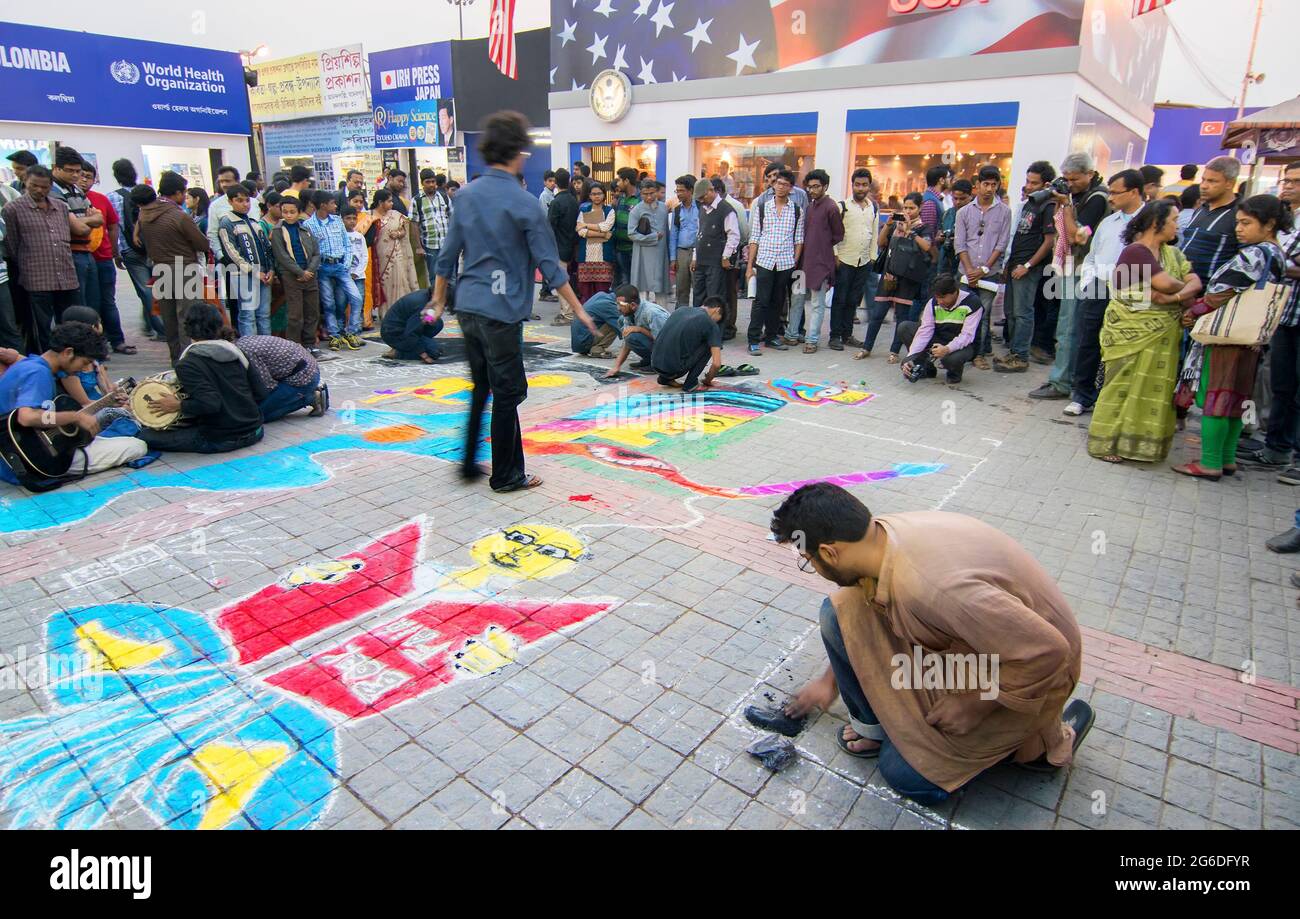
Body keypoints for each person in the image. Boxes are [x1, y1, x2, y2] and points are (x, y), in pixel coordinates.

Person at [770, 483, 1090, 805]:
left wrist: (974, 704)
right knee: (841, 611)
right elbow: (861, 617)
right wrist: (830, 682)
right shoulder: (878, 537)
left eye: (809, 559)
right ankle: (876, 728)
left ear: (829, 552)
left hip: (1038, 670)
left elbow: (1050, 652)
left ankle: (1035, 745)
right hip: (981, 642)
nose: (812, 566)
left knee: (904, 774)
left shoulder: (934, 588)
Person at [427, 111, 596, 493]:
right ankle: (506, 475)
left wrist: (438, 300)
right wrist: (580, 310)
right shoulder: (524, 204)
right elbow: (551, 268)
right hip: (501, 312)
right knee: (507, 393)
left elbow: (446, 255)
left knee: (483, 386)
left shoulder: (465, 195)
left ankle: (470, 463)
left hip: (468, 308)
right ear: (519, 152)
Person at [1174, 195, 1291, 480]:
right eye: (1238, 222)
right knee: (1236, 400)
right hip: (1251, 338)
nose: (1239, 229)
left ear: (1269, 224)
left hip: (1227, 337)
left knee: (1216, 397)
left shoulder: (1254, 254)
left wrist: (1195, 311)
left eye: (1246, 223)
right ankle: (1227, 459)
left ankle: (1210, 462)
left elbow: (1223, 292)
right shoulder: (1277, 253)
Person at [1087, 200, 1201, 465]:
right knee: (1120, 386)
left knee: (1154, 387)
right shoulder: (1136, 252)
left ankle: (1140, 446)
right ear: (1155, 222)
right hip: (1129, 330)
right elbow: (1168, 282)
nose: (1177, 225)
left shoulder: (1172, 254)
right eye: (1173, 219)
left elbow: (1192, 281)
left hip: (1163, 335)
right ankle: (1104, 443)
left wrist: (1174, 296)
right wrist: (1182, 292)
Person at [0, 321, 147, 488]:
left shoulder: (30, 365)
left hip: (18, 455)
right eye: (84, 363)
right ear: (68, 352)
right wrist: (74, 417)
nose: (82, 369)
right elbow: (27, 417)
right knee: (136, 446)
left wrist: (106, 402)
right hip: (31, 461)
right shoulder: (38, 373)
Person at [1059, 169, 1146, 417]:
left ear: (1134, 192)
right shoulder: (1108, 223)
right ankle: (1082, 395)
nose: (1110, 198)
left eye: (1116, 193)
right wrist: (1088, 282)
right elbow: (1091, 255)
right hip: (1098, 287)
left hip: (1132, 293)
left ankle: (1114, 398)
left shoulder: (1150, 222)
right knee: (1088, 342)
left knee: (1122, 347)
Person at [1028, 152, 1112, 399]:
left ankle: (1062, 382)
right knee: (1068, 326)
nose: (1070, 183)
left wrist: (1065, 205)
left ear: (1090, 174)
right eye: (1066, 178)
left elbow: (1078, 236)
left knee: (1069, 327)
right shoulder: (1081, 196)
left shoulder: (1097, 198)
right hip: (1072, 267)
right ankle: (1066, 378)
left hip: (1082, 270)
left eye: (1074, 179)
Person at [134, 303, 264, 454]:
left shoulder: (188, 364)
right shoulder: (237, 352)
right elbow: (261, 393)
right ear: (219, 326)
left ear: (188, 329)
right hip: (255, 430)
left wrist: (178, 405)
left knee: (144, 435)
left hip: (221, 439)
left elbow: (211, 404)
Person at [2, 165, 97, 353]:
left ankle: (71, 361)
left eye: (44, 187)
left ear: (50, 185)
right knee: (41, 329)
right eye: (34, 186)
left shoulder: (60, 207)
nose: (39, 190)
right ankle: (45, 364)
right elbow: (12, 246)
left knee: (70, 325)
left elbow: (70, 234)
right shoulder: (13, 209)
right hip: (36, 280)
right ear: (25, 183)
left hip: (66, 276)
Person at [1248, 162, 1300, 478]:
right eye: (1287, 180)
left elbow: (1273, 258)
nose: (1289, 185)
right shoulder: (1285, 222)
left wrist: (1278, 261)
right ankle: (1276, 448)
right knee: (1282, 385)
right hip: (1284, 315)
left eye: (1296, 181)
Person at [993, 161, 1057, 373]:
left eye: (1034, 182)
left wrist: (1028, 266)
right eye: (1027, 181)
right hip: (1014, 263)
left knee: (1022, 312)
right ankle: (1014, 352)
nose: (1028, 186)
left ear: (1046, 184)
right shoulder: (1029, 202)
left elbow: (1049, 241)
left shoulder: (1048, 205)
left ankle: (1020, 356)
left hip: (1028, 267)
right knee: (1010, 311)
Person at [860, 192, 932, 364]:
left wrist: (910, 232)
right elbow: (880, 242)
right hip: (889, 275)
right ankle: (866, 347)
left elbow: (927, 246)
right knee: (877, 314)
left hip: (908, 278)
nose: (908, 211)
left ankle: (894, 352)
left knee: (901, 316)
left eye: (912, 208)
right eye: (905, 207)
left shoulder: (923, 228)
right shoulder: (895, 225)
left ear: (920, 208)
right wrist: (889, 224)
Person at [953, 165, 1012, 369]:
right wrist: (970, 270)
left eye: (993, 185)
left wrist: (984, 269)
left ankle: (978, 355)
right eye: (985, 184)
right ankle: (957, 352)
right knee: (960, 313)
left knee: (983, 315)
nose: (989, 189)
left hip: (989, 274)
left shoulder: (1004, 212)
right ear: (977, 185)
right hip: (965, 272)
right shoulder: (964, 212)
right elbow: (959, 244)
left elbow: (1001, 244)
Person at [784, 169, 843, 354]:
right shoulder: (809, 206)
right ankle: (792, 334)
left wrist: (822, 247)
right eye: (809, 187)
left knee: (817, 304)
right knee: (797, 300)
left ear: (825, 186)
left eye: (816, 186)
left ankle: (812, 340)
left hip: (821, 265)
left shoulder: (831, 207)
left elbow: (838, 235)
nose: (812, 190)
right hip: (802, 264)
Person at [76, 162, 131, 355]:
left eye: (88, 176)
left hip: (103, 258)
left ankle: (117, 340)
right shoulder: (67, 200)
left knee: (108, 301)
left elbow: (113, 225)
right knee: (89, 303)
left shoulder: (101, 199)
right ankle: (96, 346)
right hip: (81, 259)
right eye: (80, 175)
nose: (84, 180)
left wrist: (115, 252)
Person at [746, 171, 802, 356]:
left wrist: (793, 261)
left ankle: (771, 337)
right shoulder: (763, 208)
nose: (780, 187)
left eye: (785, 184)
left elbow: (799, 239)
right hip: (765, 261)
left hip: (785, 263)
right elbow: (754, 238)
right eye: (778, 183)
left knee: (778, 302)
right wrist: (749, 267)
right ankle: (753, 339)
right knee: (761, 301)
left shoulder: (796, 210)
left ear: (791, 188)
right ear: (773, 185)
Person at [107, 158, 163, 341]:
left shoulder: (113, 197)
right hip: (153, 248)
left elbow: (116, 227)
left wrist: (117, 252)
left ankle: (158, 327)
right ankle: (154, 324)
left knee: (145, 289)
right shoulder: (147, 192)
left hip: (130, 251)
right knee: (156, 287)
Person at [898, 273, 984, 385]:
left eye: (942, 297)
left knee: (950, 359)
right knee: (904, 328)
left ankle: (954, 373)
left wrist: (947, 349)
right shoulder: (933, 302)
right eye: (937, 297)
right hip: (939, 337)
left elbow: (967, 336)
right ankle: (924, 367)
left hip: (965, 344)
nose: (939, 302)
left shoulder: (973, 303)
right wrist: (910, 357)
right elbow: (925, 331)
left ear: (955, 292)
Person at [305, 190, 364, 351]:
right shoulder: (309, 225)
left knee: (356, 298)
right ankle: (334, 334)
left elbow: (347, 244)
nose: (335, 206)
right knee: (329, 302)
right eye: (332, 203)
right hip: (323, 267)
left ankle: (351, 331)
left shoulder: (337, 221)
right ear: (323, 205)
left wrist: (346, 263)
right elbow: (309, 250)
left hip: (340, 266)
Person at [217, 184, 274, 337]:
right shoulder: (227, 223)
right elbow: (231, 253)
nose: (245, 204)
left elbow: (267, 249)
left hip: (264, 274)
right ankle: (250, 349)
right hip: (243, 276)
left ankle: (266, 347)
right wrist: (253, 271)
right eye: (239, 200)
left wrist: (271, 270)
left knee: (264, 314)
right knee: (248, 315)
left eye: (247, 200)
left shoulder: (255, 223)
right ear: (230, 201)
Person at [268, 194, 322, 354]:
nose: (288, 215)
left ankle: (309, 343)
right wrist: (299, 272)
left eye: (292, 212)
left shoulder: (306, 229)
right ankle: (294, 346)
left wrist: (309, 271)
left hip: (310, 275)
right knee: (295, 315)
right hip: (291, 276)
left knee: (312, 311)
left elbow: (316, 253)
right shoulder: (277, 231)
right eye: (285, 212)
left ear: (299, 212)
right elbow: (281, 256)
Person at [1181, 155, 1241, 283]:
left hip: (1208, 293)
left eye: (1212, 181)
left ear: (1230, 183)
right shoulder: (1200, 209)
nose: (1203, 186)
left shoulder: (1240, 215)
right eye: (1203, 180)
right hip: (1183, 287)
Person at [237, 333, 324, 421]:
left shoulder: (247, 353)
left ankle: (311, 397)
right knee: (256, 409)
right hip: (300, 365)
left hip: (304, 376)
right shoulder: (240, 343)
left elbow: (267, 386)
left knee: (258, 416)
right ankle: (304, 393)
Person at [651, 295, 723, 392]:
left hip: (655, 363)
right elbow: (716, 364)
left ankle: (665, 378)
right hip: (674, 369)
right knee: (709, 344)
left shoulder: (681, 310)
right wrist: (707, 380)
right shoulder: (710, 324)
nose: (715, 322)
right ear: (717, 310)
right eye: (717, 319)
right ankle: (690, 383)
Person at [693, 178, 741, 323]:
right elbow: (699, 233)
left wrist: (726, 256)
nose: (701, 201)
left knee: (715, 298)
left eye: (703, 197)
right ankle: (697, 327)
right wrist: (695, 256)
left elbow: (734, 235)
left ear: (711, 191)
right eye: (699, 198)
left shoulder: (726, 209)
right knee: (698, 295)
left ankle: (717, 330)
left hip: (716, 261)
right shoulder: (702, 209)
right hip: (701, 260)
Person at [370, 188, 419, 318]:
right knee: (383, 285)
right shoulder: (370, 217)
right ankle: (386, 314)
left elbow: (403, 231)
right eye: (389, 201)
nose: (392, 204)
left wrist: (397, 234)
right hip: (379, 257)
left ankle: (401, 314)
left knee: (400, 281)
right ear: (380, 202)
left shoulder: (396, 215)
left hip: (396, 255)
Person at [605, 283, 670, 377]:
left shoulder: (653, 313)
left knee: (633, 336)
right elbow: (626, 341)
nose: (618, 308)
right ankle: (649, 360)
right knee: (626, 330)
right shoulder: (629, 312)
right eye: (617, 304)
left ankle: (659, 365)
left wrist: (639, 329)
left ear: (633, 305)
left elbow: (663, 341)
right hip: (658, 345)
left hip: (670, 350)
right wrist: (616, 366)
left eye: (620, 305)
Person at [627, 178, 670, 301]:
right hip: (643, 254)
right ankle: (643, 318)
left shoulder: (664, 208)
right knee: (642, 289)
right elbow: (631, 234)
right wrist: (653, 237)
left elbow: (667, 231)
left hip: (661, 253)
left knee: (661, 289)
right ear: (640, 193)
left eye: (652, 193)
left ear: (656, 191)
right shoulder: (636, 210)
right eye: (645, 194)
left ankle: (663, 318)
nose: (649, 196)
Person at [574, 182, 616, 304]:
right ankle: (586, 318)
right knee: (585, 293)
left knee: (602, 293)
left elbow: (606, 226)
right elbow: (580, 231)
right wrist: (603, 235)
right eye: (593, 194)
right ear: (590, 196)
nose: (596, 196)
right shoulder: (584, 210)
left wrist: (586, 225)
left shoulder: (609, 211)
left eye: (599, 194)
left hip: (603, 256)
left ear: (604, 195)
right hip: (586, 256)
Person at [380, 287, 444, 363]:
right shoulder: (421, 305)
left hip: (403, 327)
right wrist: (424, 355)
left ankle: (412, 345)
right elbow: (411, 332)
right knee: (433, 352)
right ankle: (398, 353)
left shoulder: (427, 296)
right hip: (393, 334)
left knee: (438, 323)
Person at [412, 169, 453, 287]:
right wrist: (419, 247)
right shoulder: (417, 201)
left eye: (433, 182)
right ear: (422, 183)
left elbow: (452, 218)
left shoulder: (444, 197)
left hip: (447, 244)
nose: (431, 185)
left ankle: (451, 302)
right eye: (428, 182)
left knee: (450, 275)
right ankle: (437, 302)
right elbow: (414, 224)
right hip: (430, 245)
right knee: (434, 276)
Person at [546, 168, 579, 305]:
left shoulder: (556, 202)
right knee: (569, 279)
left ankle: (566, 313)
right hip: (572, 245)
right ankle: (569, 310)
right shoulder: (573, 200)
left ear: (556, 183)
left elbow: (550, 227)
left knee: (561, 281)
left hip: (559, 246)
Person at [669, 174, 699, 307]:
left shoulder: (700, 208)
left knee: (698, 287)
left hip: (696, 252)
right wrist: (673, 258)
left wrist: (696, 255)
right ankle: (681, 317)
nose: (678, 194)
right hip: (681, 252)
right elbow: (673, 235)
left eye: (681, 190)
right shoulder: (676, 210)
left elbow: (701, 232)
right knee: (681, 289)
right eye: (677, 190)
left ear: (691, 190)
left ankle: (699, 318)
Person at [570, 287, 623, 358]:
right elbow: (623, 328)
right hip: (584, 343)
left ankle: (592, 346)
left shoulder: (600, 294)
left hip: (578, 343)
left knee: (613, 319)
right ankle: (598, 349)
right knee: (617, 322)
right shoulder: (609, 305)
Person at [612, 167, 640, 287]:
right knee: (621, 283)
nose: (617, 184)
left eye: (619, 180)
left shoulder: (639, 199)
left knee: (632, 283)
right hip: (619, 248)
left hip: (634, 249)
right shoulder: (620, 199)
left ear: (626, 181)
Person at [205, 165, 240, 257]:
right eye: (221, 181)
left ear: (237, 181)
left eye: (227, 181)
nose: (224, 185)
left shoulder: (252, 203)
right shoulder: (215, 205)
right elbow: (212, 233)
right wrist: (221, 255)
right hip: (229, 259)